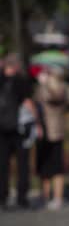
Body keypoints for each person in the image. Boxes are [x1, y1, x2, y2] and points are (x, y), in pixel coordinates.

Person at [0, 54, 35, 210]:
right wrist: (37, 122)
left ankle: (3, 196)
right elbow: (28, 103)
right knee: (22, 164)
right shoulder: (22, 81)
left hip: (1, 128)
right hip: (20, 128)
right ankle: (22, 197)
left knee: (2, 165)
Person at [35, 67, 67, 210]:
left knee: (56, 166)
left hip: (55, 132)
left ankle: (58, 197)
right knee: (44, 166)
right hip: (42, 131)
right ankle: (44, 196)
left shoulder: (59, 87)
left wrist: (46, 85)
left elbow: (55, 98)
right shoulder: (41, 87)